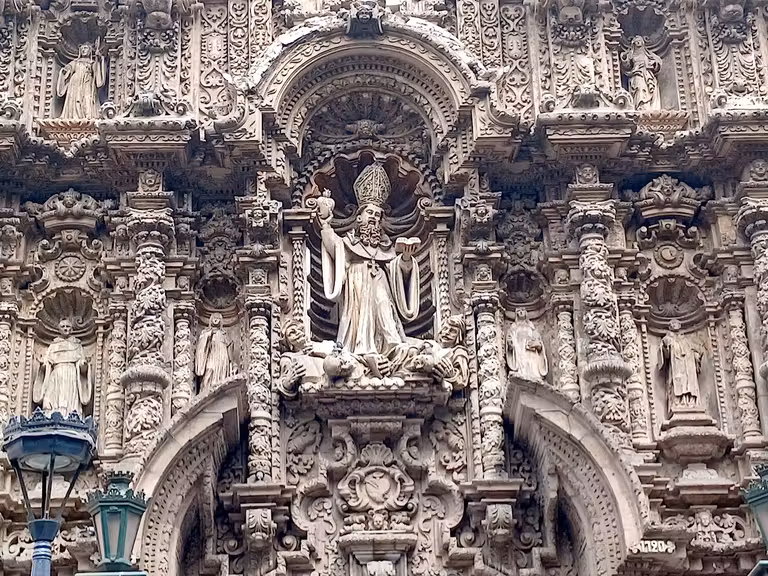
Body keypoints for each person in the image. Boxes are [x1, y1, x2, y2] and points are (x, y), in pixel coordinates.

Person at [316, 163, 424, 377]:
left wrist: (405, 258)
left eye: (377, 214)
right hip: (357, 281)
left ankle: (391, 346)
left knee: (384, 307)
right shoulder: (349, 243)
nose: (374, 217)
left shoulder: (386, 249)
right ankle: (358, 348)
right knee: (359, 313)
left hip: (381, 281)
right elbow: (333, 247)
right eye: (369, 213)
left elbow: (399, 275)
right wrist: (326, 223)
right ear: (358, 218)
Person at [33, 318, 92, 415]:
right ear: (59, 329)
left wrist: (82, 365)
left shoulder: (77, 345)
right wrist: (44, 365)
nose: (65, 329)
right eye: (63, 326)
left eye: (68, 326)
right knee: (52, 396)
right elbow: (47, 362)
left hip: (71, 374)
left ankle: (70, 414)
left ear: (72, 329)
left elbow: (82, 363)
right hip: (56, 374)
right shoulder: (53, 345)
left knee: (69, 397)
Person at [57, 42, 106, 119]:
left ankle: (88, 115)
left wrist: (99, 59)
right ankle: (73, 115)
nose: (83, 50)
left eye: (85, 48)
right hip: (75, 82)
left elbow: (97, 73)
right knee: (75, 98)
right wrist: (65, 71)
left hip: (87, 83)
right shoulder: (75, 62)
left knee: (87, 98)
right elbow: (69, 68)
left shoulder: (92, 62)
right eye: (82, 48)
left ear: (90, 50)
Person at [506, 309, 548, 382]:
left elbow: (539, 343)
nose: (521, 312)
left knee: (532, 364)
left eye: (522, 310)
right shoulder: (513, 327)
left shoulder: (532, 327)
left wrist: (536, 345)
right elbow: (510, 340)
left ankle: (535, 376)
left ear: (526, 313)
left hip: (531, 352)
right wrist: (510, 344)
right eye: (518, 311)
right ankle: (521, 374)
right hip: (519, 351)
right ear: (516, 314)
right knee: (522, 363)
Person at [195, 313, 234, 392]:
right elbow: (201, 347)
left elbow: (229, 348)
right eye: (214, 318)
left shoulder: (224, 334)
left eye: (218, 318)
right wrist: (209, 335)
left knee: (221, 377)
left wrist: (232, 364)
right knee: (209, 370)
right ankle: (206, 392)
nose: (216, 320)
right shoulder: (205, 332)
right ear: (210, 320)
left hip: (222, 359)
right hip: (211, 357)